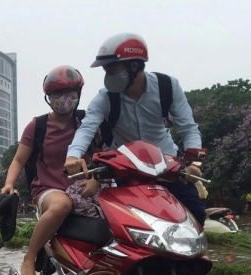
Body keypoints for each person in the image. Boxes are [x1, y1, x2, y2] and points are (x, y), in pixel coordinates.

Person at [64, 32, 206, 225]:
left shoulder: (167, 87)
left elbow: (189, 128)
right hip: (127, 170)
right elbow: (87, 128)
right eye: (105, 69)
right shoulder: (105, 97)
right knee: (130, 224)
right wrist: (73, 155)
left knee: (196, 215)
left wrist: (194, 165)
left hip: (168, 165)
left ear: (134, 65)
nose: (107, 75)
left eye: (112, 68)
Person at [1, 65, 98, 275]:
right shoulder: (38, 125)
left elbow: (100, 156)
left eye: (70, 93)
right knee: (62, 205)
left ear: (78, 95)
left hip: (85, 187)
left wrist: (95, 179)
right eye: (57, 94)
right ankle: (30, 257)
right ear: (49, 97)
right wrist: (9, 184)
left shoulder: (87, 122)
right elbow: (18, 160)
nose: (64, 99)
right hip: (49, 189)